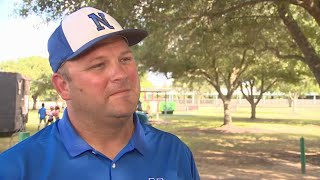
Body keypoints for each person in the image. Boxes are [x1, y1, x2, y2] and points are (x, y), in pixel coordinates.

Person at [0, 7, 200, 180]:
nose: (120, 74)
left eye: (125, 60)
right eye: (98, 65)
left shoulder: (175, 154)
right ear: (63, 86)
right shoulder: (16, 169)